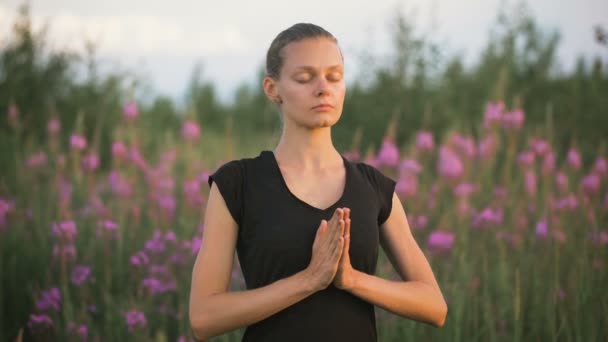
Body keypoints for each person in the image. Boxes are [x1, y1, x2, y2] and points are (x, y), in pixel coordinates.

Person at [188, 23, 447, 342]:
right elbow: (203, 318)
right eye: (305, 78)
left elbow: (434, 306)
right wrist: (308, 280)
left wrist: (352, 280)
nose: (323, 88)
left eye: (334, 77)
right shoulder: (238, 184)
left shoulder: (373, 188)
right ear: (273, 89)